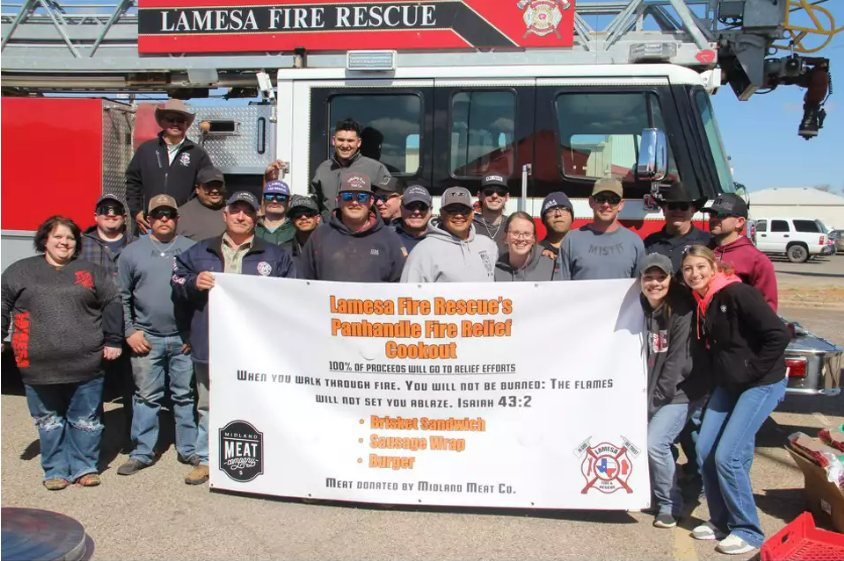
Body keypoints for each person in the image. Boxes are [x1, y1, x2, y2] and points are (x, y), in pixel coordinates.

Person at [172, 191, 297, 485]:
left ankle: (265, 457)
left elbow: (291, 295)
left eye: (248, 212)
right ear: (225, 215)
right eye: (236, 211)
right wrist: (193, 282)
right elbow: (176, 281)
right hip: (211, 341)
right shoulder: (199, 251)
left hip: (256, 347)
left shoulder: (275, 256)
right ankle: (205, 459)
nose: (241, 216)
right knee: (208, 403)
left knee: (259, 401)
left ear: (257, 217)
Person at [682, 245, 790, 555]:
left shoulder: (737, 293)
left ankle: (748, 530)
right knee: (704, 449)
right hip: (730, 384)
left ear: (714, 267)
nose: (694, 274)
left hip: (761, 382)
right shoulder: (705, 300)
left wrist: (753, 371)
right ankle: (721, 522)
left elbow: (778, 335)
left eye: (700, 267)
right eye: (688, 269)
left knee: (727, 456)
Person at [1, 216, 123, 490]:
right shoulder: (19, 271)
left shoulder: (91, 271)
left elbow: (112, 302)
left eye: (69, 238)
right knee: (49, 422)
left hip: (86, 362)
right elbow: (3, 301)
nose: (64, 242)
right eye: (58, 237)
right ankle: (55, 469)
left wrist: (114, 339)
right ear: (45, 240)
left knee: (86, 420)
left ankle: (84, 467)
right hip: (37, 364)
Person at [117, 195, 197, 477]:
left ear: (177, 218)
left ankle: (189, 450)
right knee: (147, 396)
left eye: (170, 214)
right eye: (158, 214)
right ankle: (142, 452)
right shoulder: (131, 253)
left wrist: (193, 333)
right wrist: (129, 331)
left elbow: (199, 297)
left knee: (184, 396)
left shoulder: (192, 250)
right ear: (148, 220)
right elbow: (122, 297)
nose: (164, 219)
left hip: (182, 338)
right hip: (146, 338)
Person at [638, 253, 707, 530]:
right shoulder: (637, 308)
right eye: (648, 277)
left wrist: (652, 404)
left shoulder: (682, 311)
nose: (654, 283)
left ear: (670, 278)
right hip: (649, 391)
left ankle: (669, 504)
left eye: (661, 277)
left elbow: (677, 365)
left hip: (678, 392)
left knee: (655, 443)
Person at [80, 194, 135, 449]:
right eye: (104, 210)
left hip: (131, 326)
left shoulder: (136, 244)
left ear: (124, 217)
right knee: (93, 388)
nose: (110, 214)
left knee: (132, 388)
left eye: (116, 210)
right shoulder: (80, 245)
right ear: (95, 216)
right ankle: (93, 440)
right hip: (92, 326)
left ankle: (131, 438)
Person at [299, 173, 406, 282]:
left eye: (362, 197)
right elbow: (303, 282)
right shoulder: (319, 235)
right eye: (348, 196)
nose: (355, 202)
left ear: (371, 201)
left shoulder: (390, 238)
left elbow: (400, 285)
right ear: (338, 200)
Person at [126, 99, 212, 234]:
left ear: (187, 124)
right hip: (150, 224)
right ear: (163, 122)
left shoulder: (197, 153)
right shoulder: (146, 149)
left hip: (185, 225)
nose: (175, 123)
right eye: (171, 119)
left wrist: (195, 215)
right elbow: (133, 182)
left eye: (180, 120)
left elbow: (206, 188)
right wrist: (136, 212)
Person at [554, 178, 645, 280]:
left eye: (613, 199)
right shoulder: (571, 240)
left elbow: (640, 288)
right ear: (591, 202)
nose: (606, 204)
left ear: (621, 204)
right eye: (600, 198)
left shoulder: (634, 242)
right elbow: (560, 288)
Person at [402, 187, 497, 283]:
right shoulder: (423, 251)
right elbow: (407, 295)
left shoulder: (488, 245)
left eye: (464, 210)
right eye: (452, 210)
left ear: (472, 213)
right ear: (442, 213)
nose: (459, 215)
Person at [702, 194, 778, 311]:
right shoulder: (702, 250)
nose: (714, 219)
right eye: (712, 214)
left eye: (721, 215)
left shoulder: (757, 260)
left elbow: (767, 309)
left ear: (740, 222)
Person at [311, 118, 392, 218]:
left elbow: (391, 200)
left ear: (358, 143)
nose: (345, 145)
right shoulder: (323, 169)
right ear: (333, 141)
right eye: (340, 140)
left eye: (350, 141)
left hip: (362, 231)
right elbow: (316, 203)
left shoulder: (376, 168)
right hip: (330, 230)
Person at [644, 181, 711, 273]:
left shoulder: (707, 241)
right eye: (673, 206)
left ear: (692, 211)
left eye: (683, 207)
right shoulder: (649, 243)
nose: (678, 210)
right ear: (664, 210)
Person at [494, 212, 555, 282]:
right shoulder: (495, 269)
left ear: (534, 239)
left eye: (527, 234)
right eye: (515, 233)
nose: (521, 239)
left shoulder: (550, 265)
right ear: (505, 237)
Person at [177, 166, 227, 242]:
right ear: (197, 189)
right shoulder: (181, 215)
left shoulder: (235, 211)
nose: (215, 190)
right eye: (209, 186)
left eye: (218, 185)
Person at [280, 195, 322, 267]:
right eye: (298, 214)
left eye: (308, 213)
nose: (303, 217)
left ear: (318, 218)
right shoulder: (282, 251)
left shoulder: (330, 247)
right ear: (292, 221)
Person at [473, 173, 510, 254]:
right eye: (489, 191)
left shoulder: (512, 226)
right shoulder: (469, 226)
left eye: (501, 191)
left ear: (507, 197)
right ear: (479, 196)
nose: (494, 195)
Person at [392, 185, 432, 254]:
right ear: (401, 208)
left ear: (430, 210)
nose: (416, 211)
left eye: (422, 206)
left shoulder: (442, 238)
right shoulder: (388, 236)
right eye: (411, 206)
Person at [255, 180, 295, 245]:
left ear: (288, 202)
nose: (274, 201)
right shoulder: (253, 228)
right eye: (269, 197)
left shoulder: (296, 230)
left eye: (281, 197)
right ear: (263, 200)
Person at [538, 191, 574, 259]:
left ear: (572, 217)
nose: (558, 214)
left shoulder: (583, 250)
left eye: (564, 209)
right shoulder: (535, 253)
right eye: (551, 210)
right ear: (543, 219)